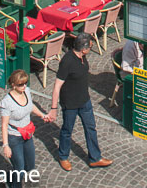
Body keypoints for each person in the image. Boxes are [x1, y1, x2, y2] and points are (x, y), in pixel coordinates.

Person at [45, 33, 112, 171]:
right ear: (84, 49)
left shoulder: (82, 57)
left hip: (84, 100)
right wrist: (53, 108)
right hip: (70, 103)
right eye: (90, 46)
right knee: (67, 130)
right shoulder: (67, 61)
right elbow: (57, 86)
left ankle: (95, 158)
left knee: (91, 128)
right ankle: (63, 156)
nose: (91, 49)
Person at [0, 69, 49, 188]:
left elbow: (31, 106)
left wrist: (42, 115)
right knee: (20, 169)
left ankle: (10, 176)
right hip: (14, 137)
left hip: (27, 134)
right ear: (13, 85)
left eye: (25, 83)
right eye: (20, 84)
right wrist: (6, 145)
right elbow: (4, 125)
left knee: (30, 165)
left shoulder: (27, 91)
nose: (24, 86)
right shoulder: (7, 102)